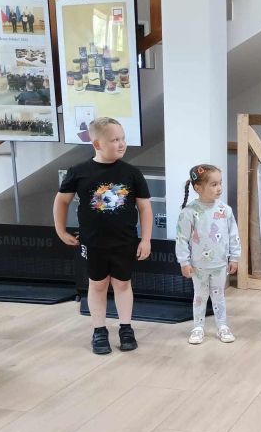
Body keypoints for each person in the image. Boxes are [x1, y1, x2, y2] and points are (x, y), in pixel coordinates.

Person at [53, 117, 152, 355]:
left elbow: (145, 208)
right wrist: (60, 230)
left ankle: (126, 328)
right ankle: (99, 330)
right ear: (97, 144)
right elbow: (61, 201)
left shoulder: (132, 173)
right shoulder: (78, 172)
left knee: (122, 284)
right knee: (97, 285)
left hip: (125, 241)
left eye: (123, 138)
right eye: (115, 140)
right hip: (93, 243)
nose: (121, 144)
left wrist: (146, 239)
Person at [175, 164, 240, 344]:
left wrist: (234, 257)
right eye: (213, 184)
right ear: (198, 188)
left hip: (220, 264)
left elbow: (233, 235)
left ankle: (222, 326)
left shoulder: (225, 210)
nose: (219, 188)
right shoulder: (189, 212)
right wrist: (184, 262)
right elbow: (181, 238)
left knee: (219, 296)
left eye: (220, 183)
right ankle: (198, 327)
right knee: (199, 296)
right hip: (198, 266)